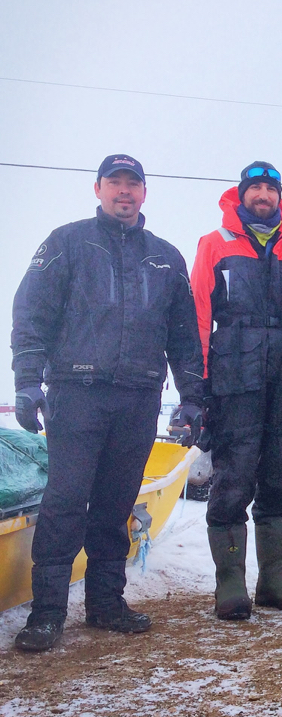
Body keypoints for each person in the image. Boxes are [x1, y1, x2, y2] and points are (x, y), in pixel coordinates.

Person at [11, 154, 205, 652]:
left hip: (138, 398)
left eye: (133, 184)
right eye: (115, 183)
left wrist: (192, 399)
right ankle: (47, 614)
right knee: (65, 502)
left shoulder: (165, 257)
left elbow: (184, 337)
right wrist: (28, 383)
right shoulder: (66, 243)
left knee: (117, 504)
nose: (124, 192)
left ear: (145, 193)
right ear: (97, 188)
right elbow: (32, 316)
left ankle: (105, 604)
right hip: (77, 395)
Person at [191, 161, 282, 620]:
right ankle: (230, 582)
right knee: (233, 476)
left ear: (280, 196)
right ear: (242, 194)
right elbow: (197, 316)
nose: (263, 195)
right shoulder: (215, 244)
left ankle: (274, 579)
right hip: (233, 382)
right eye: (256, 188)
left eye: (271, 188)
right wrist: (199, 384)